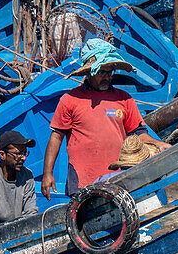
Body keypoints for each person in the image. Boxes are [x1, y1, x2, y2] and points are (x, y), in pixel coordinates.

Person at [42, 39, 170, 198]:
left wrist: (158, 144)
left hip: (118, 179)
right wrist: (48, 174)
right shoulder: (70, 99)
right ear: (89, 72)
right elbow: (56, 137)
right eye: (102, 72)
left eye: (110, 72)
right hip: (82, 181)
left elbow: (139, 133)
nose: (107, 77)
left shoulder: (124, 99)